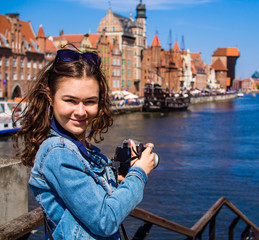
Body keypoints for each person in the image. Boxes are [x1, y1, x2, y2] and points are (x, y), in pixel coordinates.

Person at [13, 44, 155, 240]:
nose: (80, 111)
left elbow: (96, 199)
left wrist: (120, 174)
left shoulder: (84, 150)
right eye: (70, 100)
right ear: (50, 97)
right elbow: (105, 220)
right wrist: (139, 173)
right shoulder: (58, 152)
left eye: (89, 101)